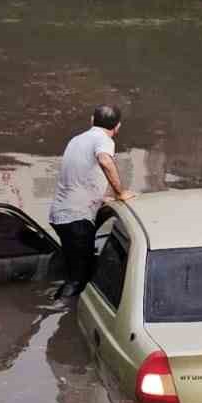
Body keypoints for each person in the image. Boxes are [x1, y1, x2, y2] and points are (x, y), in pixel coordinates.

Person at [49, 105, 134, 300]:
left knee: (74, 270)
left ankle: (62, 305)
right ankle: (58, 314)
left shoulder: (76, 140)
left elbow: (77, 175)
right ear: (118, 126)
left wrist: (98, 197)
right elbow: (104, 161)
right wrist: (120, 192)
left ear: (91, 120)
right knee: (79, 279)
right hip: (77, 219)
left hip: (61, 215)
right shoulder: (104, 140)